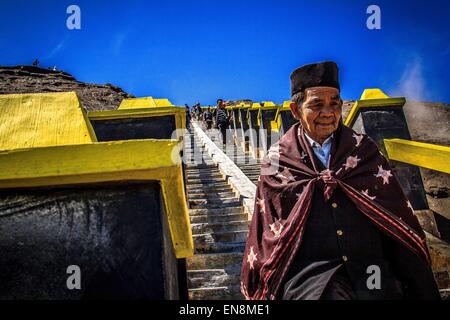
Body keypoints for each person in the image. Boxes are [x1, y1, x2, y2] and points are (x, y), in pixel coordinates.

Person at [240, 61, 440, 300]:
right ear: (296, 110)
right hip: (310, 276)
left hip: (370, 270)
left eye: (335, 104)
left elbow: (393, 216)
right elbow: (269, 233)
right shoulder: (278, 161)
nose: (328, 113)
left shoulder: (364, 151)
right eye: (316, 105)